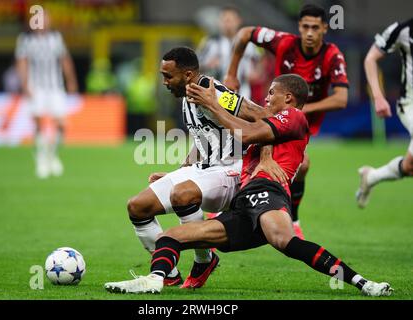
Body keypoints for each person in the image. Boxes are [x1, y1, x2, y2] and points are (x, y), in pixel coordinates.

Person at [104, 74, 393, 297]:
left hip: (268, 194)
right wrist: (175, 175)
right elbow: (219, 149)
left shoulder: (295, 117)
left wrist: (212, 104)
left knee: (285, 241)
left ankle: (363, 283)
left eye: (271, 93)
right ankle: (155, 280)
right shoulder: (272, 123)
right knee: (171, 237)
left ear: (289, 98)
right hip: (244, 203)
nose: (266, 99)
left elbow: (250, 133)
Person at [125, 47, 285, 289]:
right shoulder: (187, 93)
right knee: (137, 207)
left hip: (231, 170)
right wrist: (179, 172)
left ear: (188, 74)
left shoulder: (216, 93)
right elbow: (204, 137)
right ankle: (170, 275)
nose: (165, 82)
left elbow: (263, 116)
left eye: (168, 76)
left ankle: (204, 260)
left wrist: (265, 158)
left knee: (182, 193)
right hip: (203, 168)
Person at [224, 4, 349, 239]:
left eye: (315, 27)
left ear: (324, 28)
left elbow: (341, 99)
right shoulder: (283, 42)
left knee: (299, 165)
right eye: (305, 27)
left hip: (300, 124)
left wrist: (299, 110)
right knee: (254, 151)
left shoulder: (333, 55)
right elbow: (244, 33)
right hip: (274, 113)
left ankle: (279, 213)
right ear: (299, 28)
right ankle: (240, 205)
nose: (310, 33)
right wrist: (232, 73)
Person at [356, 18, 413, 208]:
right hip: (411, 104)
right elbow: (371, 58)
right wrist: (378, 97)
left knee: (410, 166)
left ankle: (371, 176)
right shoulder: (403, 30)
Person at [15, 11, 78, 179]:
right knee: (38, 123)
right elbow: (22, 62)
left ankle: (52, 155)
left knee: (61, 124)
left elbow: (65, 59)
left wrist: (71, 80)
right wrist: (25, 84)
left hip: (55, 87)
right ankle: (41, 158)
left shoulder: (56, 38)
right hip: (36, 87)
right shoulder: (25, 40)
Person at [197, 5, 261, 99]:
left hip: (243, 92)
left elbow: (259, 61)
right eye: (224, 20)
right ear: (219, 22)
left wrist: (256, 73)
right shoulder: (210, 42)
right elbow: (195, 66)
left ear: (239, 21)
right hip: (215, 92)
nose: (227, 24)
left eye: (230, 20)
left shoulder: (249, 43)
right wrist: (207, 65)